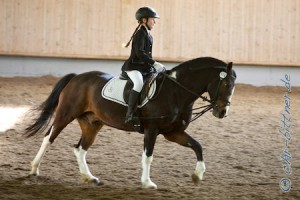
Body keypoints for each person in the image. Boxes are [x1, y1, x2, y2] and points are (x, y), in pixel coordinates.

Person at [122, 6, 165, 123]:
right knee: (138, 83)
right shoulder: (140, 34)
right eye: (152, 19)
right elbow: (139, 53)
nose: (155, 22)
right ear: (144, 20)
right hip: (134, 67)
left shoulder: (148, 35)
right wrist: (154, 63)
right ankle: (129, 114)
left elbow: (147, 55)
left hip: (144, 68)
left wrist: (153, 66)